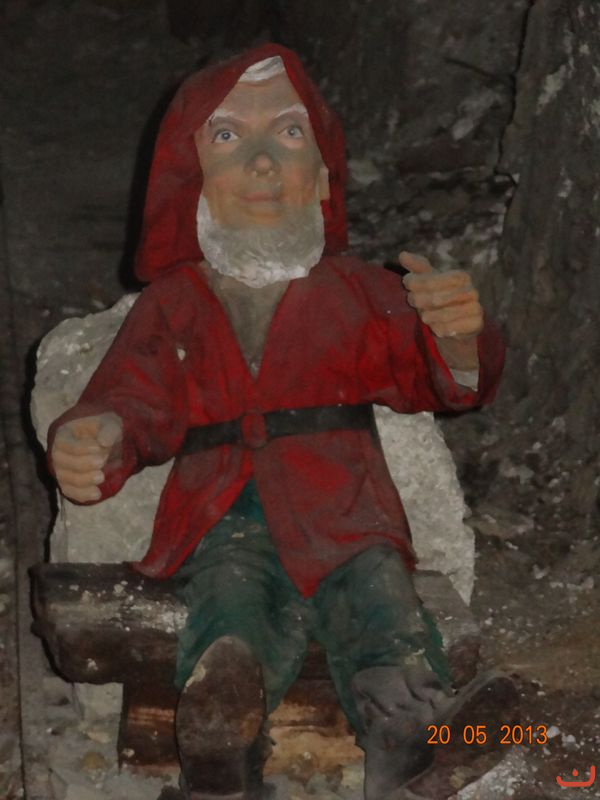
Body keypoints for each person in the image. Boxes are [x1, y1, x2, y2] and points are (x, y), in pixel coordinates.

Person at [47, 44, 515, 800]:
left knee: (380, 598)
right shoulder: (175, 303)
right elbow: (134, 399)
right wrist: (96, 437)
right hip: (223, 512)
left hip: (348, 512)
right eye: (229, 136)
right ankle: (222, 735)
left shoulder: (358, 291)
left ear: (322, 178)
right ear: (195, 181)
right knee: (230, 600)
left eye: (289, 134)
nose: (262, 162)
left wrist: (458, 339)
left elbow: (434, 373)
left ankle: (411, 741)